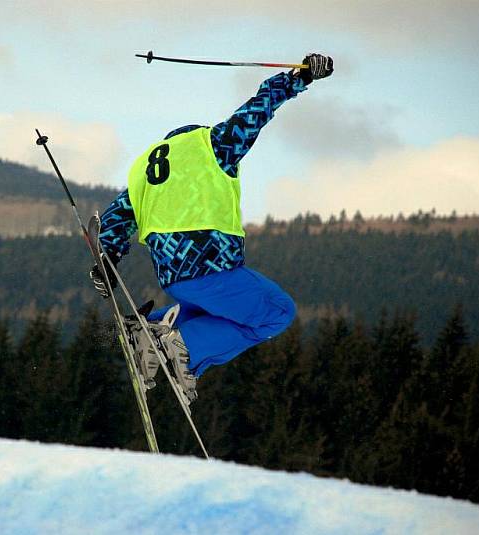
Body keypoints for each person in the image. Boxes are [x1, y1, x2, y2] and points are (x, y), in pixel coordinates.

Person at [91, 53, 334, 402]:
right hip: (211, 265)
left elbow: (116, 217)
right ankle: (181, 347)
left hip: (174, 278)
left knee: (212, 313)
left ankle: (154, 328)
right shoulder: (211, 145)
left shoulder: (145, 168)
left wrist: (107, 261)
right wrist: (300, 77)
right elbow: (255, 112)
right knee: (278, 312)